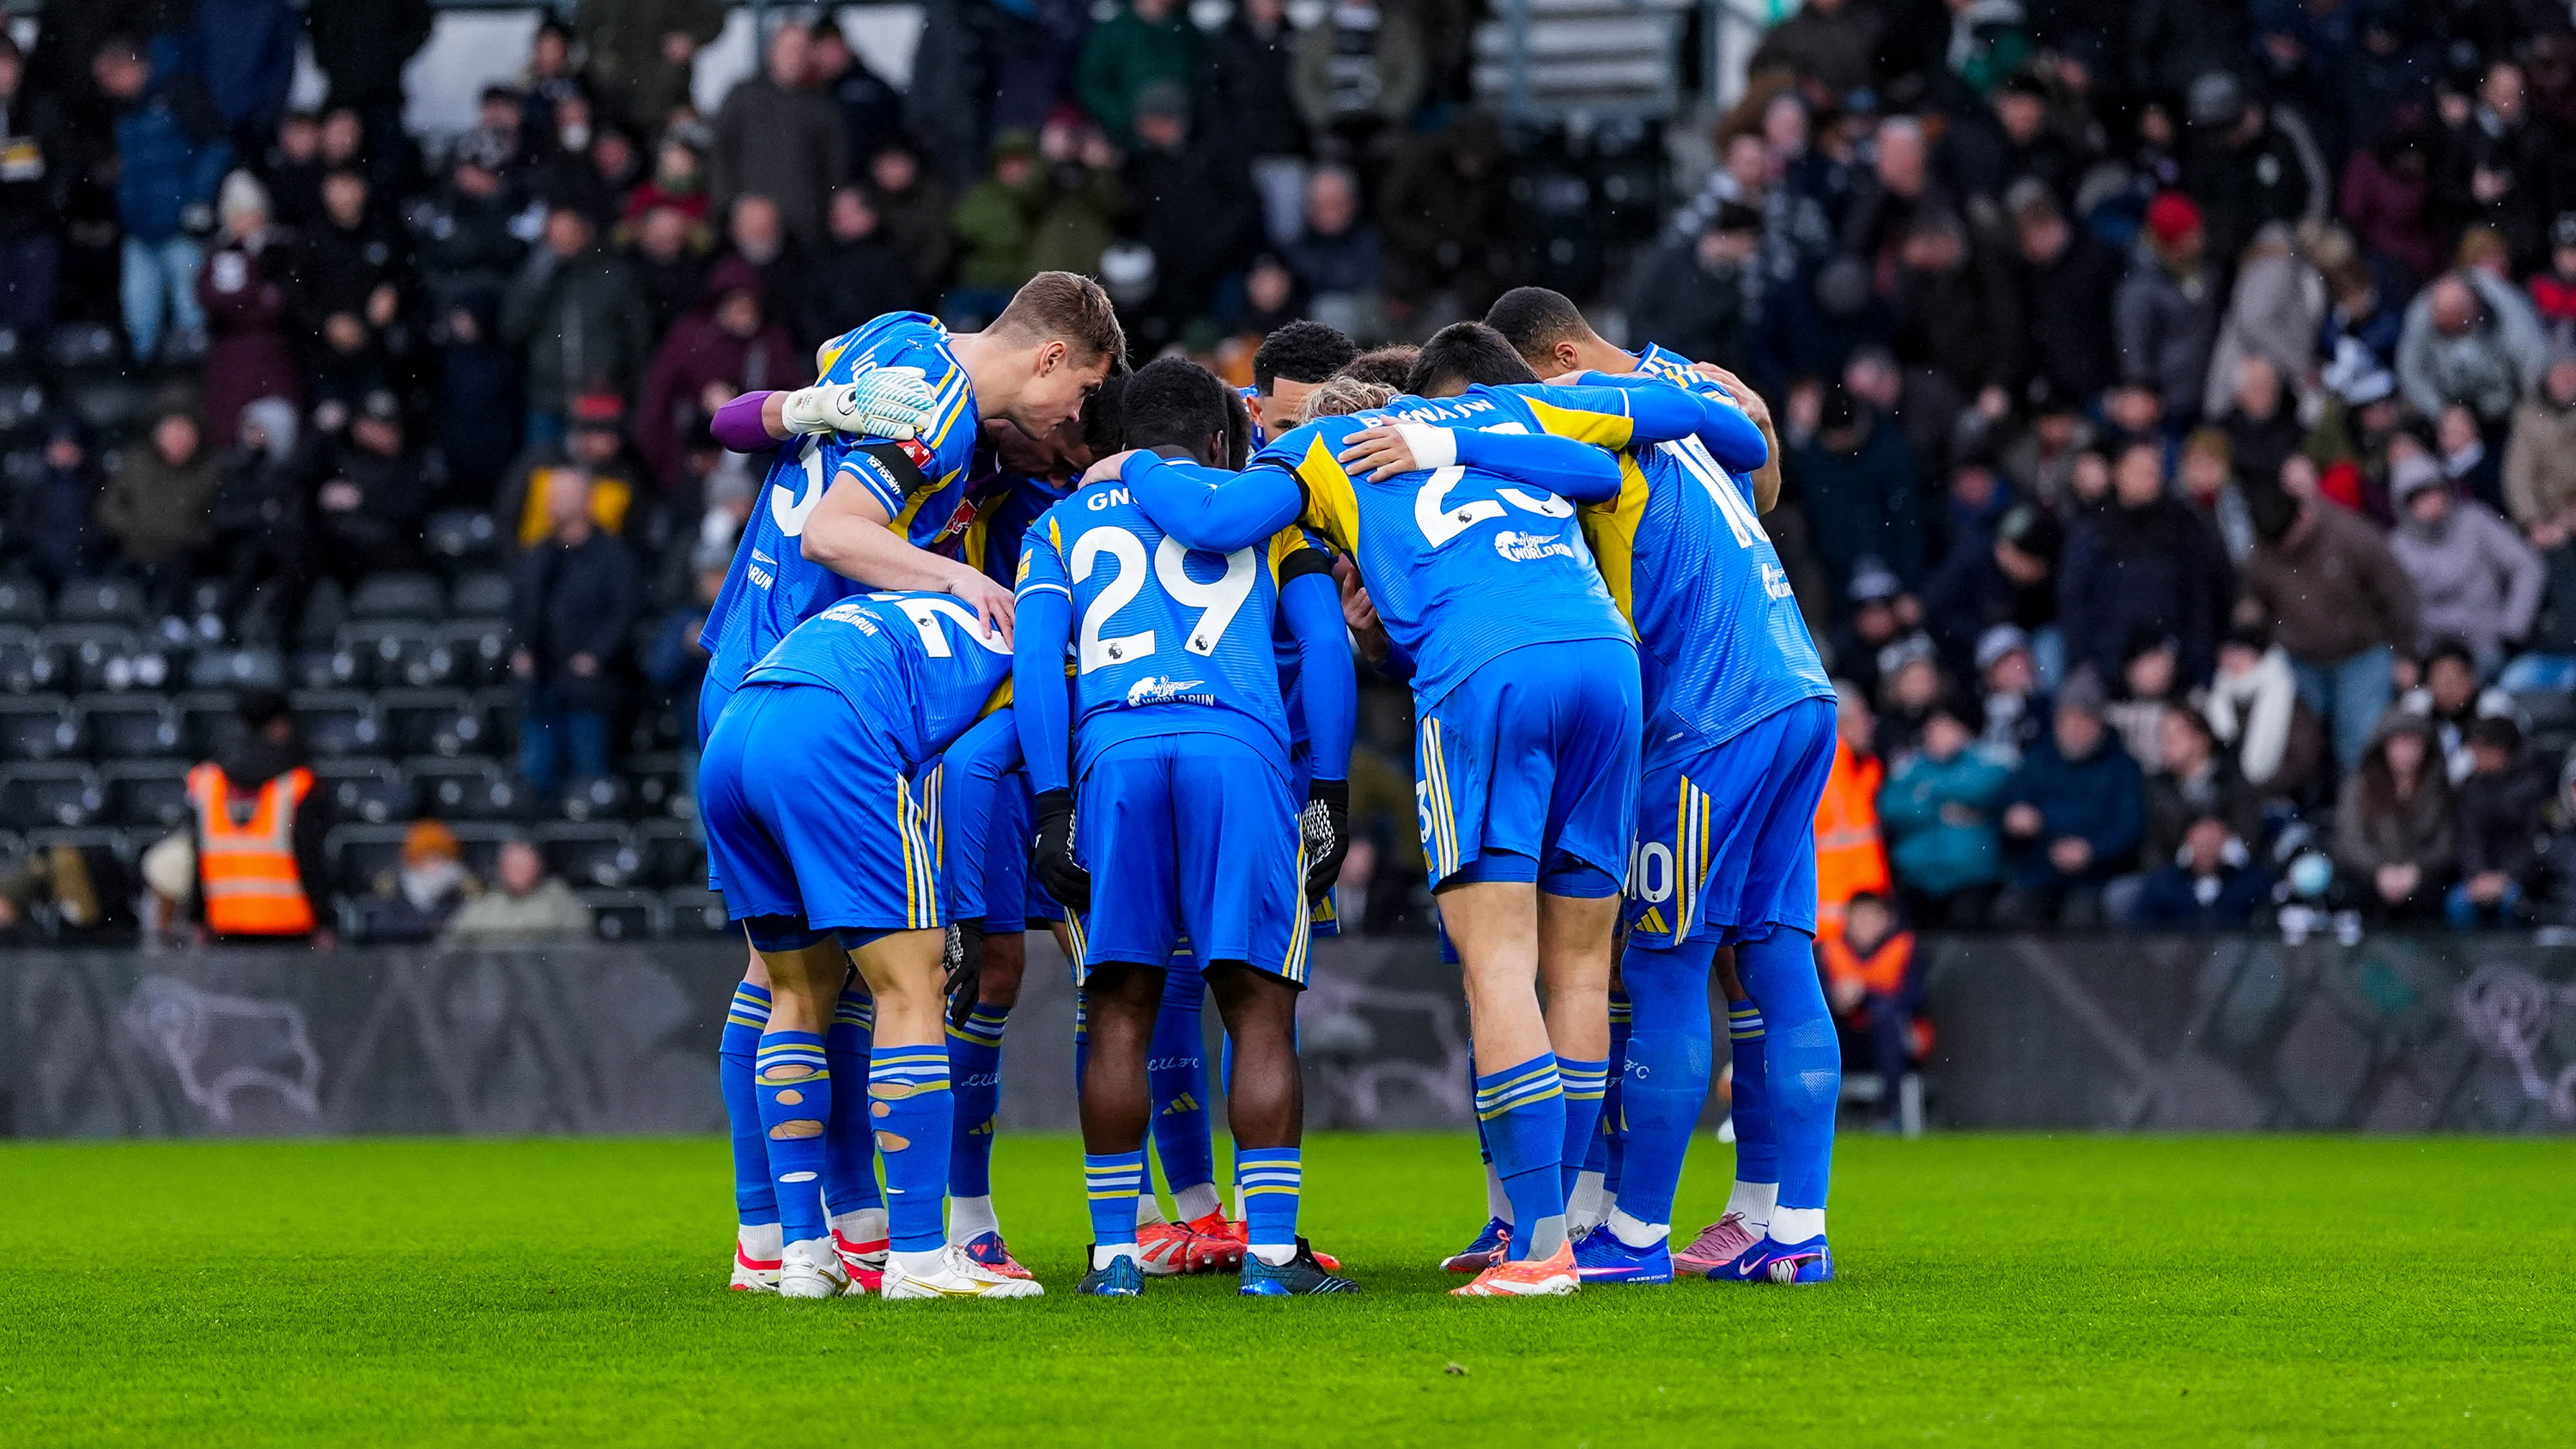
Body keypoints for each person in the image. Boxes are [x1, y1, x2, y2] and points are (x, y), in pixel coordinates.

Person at [1100, 320, 1759, 1297]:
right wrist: (1455, 439)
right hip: (1605, 664)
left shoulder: (1323, 449)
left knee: (1500, 964)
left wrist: (1136, 465)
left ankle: (1538, 1248)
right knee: (1583, 968)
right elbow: (1644, 458)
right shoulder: (1511, 415)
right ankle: (1570, 1221)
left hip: (1488, 673)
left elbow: (1214, 518)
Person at [696, 274, 1124, 1295]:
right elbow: (833, 534)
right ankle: (888, 1239)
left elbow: (747, 411)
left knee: (792, 979)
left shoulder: (899, 339)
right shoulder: (939, 408)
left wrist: (810, 405)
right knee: (881, 978)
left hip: (744, 677)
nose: (1074, 421)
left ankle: (786, 1235)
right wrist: (959, 575)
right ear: (1052, 356)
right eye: (1082, 393)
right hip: (819, 676)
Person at [1484, 290, 1840, 1288]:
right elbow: (1764, 477)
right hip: (1798, 686)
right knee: (1778, 959)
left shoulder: (1593, 409)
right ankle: (1796, 1230)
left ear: (1559, 361)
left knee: (1665, 966)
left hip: (1708, 715)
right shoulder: (1684, 380)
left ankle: (1635, 1232)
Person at [1012, 358, 1356, 1298]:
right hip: (1238, 755)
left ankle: (1114, 1257)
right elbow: (1325, 644)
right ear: (1217, 440)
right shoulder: (1267, 515)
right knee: (1257, 1006)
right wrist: (1329, 788)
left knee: (1118, 1006)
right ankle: (1272, 1256)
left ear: (1123, 442)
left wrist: (1052, 802)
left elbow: (1038, 662)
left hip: (1113, 754)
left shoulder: (1058, 525)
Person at [696, 588, 1041, 1301]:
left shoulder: (940, 609)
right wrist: (967, 917)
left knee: (795, 993)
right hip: (830, 734)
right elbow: (973, 769)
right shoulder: (1051, 661)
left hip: (735, 730)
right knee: (913, 989)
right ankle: (919, 1257)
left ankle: (801, 1254)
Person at [2239, 488, 2418, 770]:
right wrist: (2246, 642)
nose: (2282, 548)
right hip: (2301, 661)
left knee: (2358, 744)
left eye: (2285, 539)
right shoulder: (2263, 551)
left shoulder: (2352, 536)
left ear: (2303, 517)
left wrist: (2406, 654)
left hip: (2362, 655)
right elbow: (2252, 604)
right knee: (2297, 748)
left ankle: (2360, 795)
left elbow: (2398, 595)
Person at [96, 36, 230, 362]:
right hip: (139, 228)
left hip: (179, 225)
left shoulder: (177, 92)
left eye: (108, 77)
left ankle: (192, 382)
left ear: (128, 67)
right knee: (138, 316)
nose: (105, 88)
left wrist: (197, 199)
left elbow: (216, 146)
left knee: (192, 312)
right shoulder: (123, 110)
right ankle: (151, 381)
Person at [511, 469, 640, 803]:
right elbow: (520, 608)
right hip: (540, 687)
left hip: (590, 690)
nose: (553, 503)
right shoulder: (537, 555)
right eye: (551, 496)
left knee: (590, 781)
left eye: (563, 496)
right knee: (535, 782)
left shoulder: (613, 556)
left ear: (587, 501)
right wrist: (521, 649)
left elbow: (625, 613)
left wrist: (597, 656)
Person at [1996, 670, 2143, 928]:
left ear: (2099, 723)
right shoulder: (2038, 758)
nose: (2073, 729)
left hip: (2094, 877)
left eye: (2083, 720)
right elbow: (2009, 802)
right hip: (2039, 871)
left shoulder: (2121, 768)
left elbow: (2130, 826)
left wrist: (2093, 850)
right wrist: (2014, 816)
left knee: (2079, 920)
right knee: (2009, 912)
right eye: (2067, 719)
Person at [188, 690, 330, 947]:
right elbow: (310, 857)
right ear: (279, 726)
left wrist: (197, 917)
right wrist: (325, 919)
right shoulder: (298, 782)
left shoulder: (207, 780)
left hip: (225, 928)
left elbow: (198, 854)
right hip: (291, 931)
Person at [2386, 453, 2543, 673]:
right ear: (2405, 505)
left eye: (2435, 491)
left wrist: (2513, 627)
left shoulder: (2476, 521)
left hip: (2490, 644)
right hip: (2431, 657)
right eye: (2420, 497)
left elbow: (2526, 566)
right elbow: (2389, 606)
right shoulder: (2396, 548)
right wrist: (2406, 655)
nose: (2432, 502)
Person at [708, 21, 845, 248]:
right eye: (789, 48)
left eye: (802, 49)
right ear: (772, 50)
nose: (795, 56)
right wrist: (732, 204)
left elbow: (835, 167)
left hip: (803, 233)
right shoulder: (743, 96)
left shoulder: (822, 106)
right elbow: (719, 152)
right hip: (745, 228)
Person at [1879, 691, 2010, 928]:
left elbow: (1981, 790)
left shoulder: (1987, 761)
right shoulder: (1911, 767)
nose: (1937, 736)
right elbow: (1889, 807)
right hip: (1917, 878)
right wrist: (1937, 811)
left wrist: (1926, 793)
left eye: (1946, 728)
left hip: (1970, 878)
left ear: (1963, 730)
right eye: (1932, 729)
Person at [2333, 709, 2454, 922]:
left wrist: (2417, 870)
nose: (2406, 752)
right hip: (2368, 883)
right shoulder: (2358, 788)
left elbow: (2447, 842)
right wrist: (2379, 871)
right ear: (2384, 746)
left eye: (2413, 744)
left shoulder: (2441, 789)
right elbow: (2350, 841)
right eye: (2399, 743)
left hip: (2427, 885)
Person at [1820, 893, 1922, 1129]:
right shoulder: (1828, 950)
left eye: (1871, 918)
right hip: (1845, 1040)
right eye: (1859, 919)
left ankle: (1889, 1112)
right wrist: (1837, 999)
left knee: (1886, 1014)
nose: (1864, 926)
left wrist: (1866, 994)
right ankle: (1820, 1110)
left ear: (1887, 920)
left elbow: (1915, 998)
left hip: (1891, 1041)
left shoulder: (1904, 948)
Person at [2448, 715, 2550, 928]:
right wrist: (2477, 875)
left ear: (2499, 752)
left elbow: (2536, 842)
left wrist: (2506, 877)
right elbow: (2468, 838)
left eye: (2479, 751)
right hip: (2480, 878)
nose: (2474, 758)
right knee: (2457, 904)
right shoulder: (2471, 786)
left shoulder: (2536, 786)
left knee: (2515, 904)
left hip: (2523, 880)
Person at [2127, 813, 2272, 929]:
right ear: (2188, 844)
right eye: (2202, 844)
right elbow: (2142, 928)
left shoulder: (2250, 884)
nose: (2207, 850)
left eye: (2213, 843)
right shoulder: (2163, 885)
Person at [441, 839, 593, 946]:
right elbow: (453, 941)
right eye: (513, 866)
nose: (519, 872)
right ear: (501, 868)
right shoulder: (485, 901)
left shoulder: (558, 899)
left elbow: (581, 941)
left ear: (538, 866)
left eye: (525, 866)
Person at [358, 819, 471, 944]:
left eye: (441, 857)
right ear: (415, 858)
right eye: (427, 857)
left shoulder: (458, 892)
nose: (435, 865)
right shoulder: (395, 889)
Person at [1248, 319, 1359, 439]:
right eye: (1291, 429)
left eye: (1323, 428)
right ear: (1257, 411)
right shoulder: (1233, 435)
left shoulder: (1373, 431)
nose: (1309, 444)